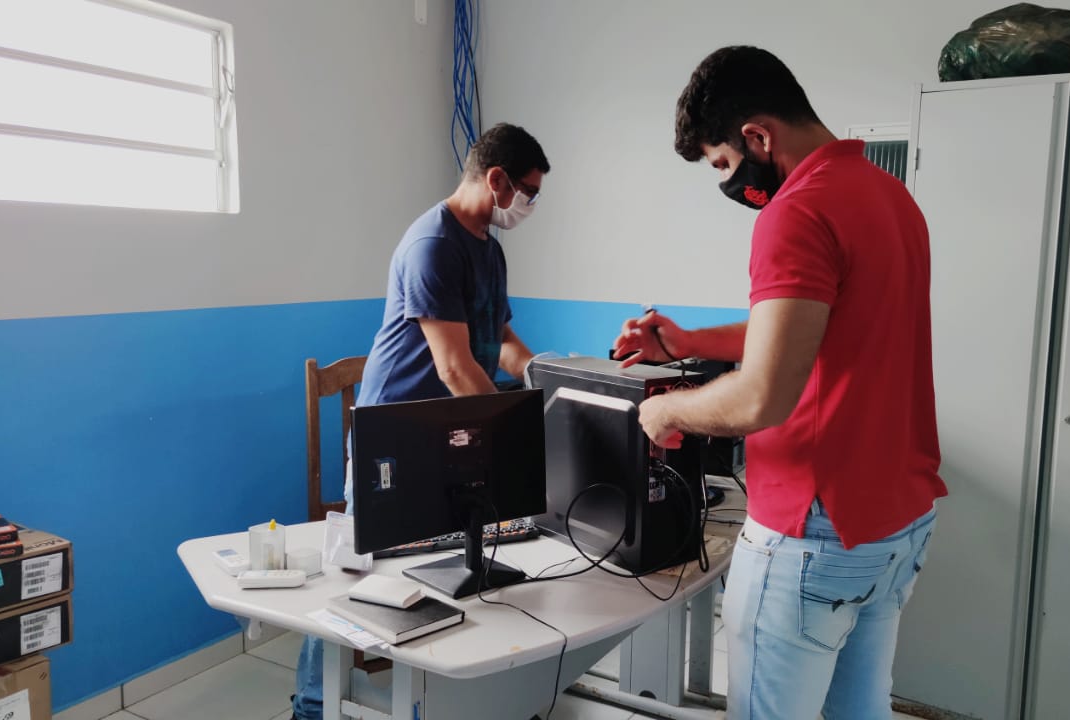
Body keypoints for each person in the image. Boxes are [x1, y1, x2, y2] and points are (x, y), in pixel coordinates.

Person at [612, 46, 947, 720]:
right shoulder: (889, 195)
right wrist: (688, 343)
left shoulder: (795, 212)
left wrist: (667, 412)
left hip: (813, 530)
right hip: (896, 522)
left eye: (723, 164)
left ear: (757, 137)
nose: (728, 181)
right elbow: (808, 328)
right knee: (860, 711)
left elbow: (763, 396)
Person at [292, 122, 549, 720]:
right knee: (360, 577)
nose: (530, 205)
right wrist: (514, 431)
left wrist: (548, 379)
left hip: (446, 429)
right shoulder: (432, 245)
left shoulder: (490, 248)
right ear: (497, 179)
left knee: (459, 558)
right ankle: (311, 705)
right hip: (395, 435)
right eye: (528, 192)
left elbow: (500, 340)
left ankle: (439, 700)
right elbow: (455, 367)